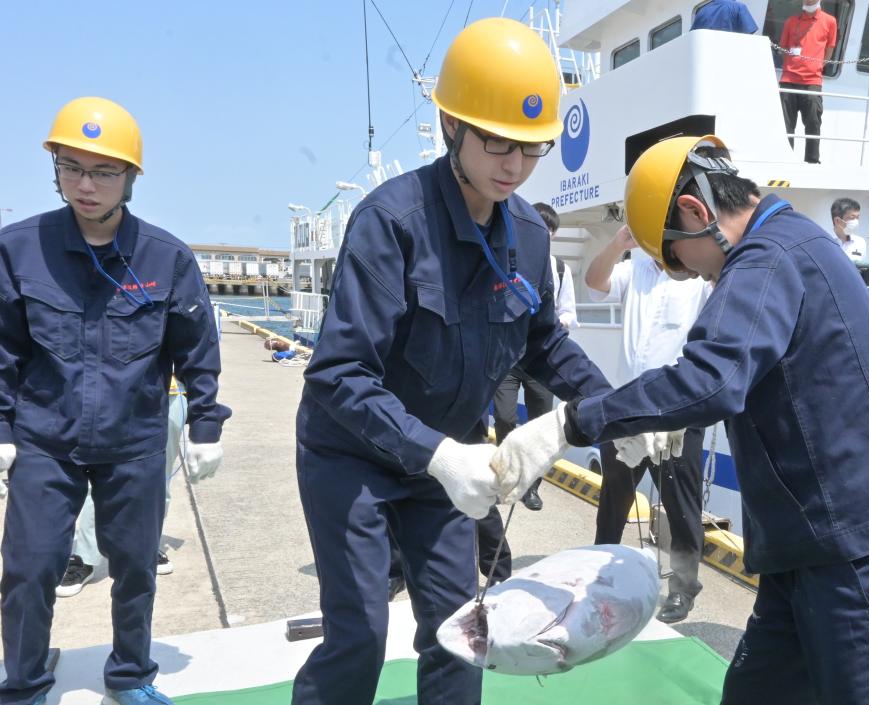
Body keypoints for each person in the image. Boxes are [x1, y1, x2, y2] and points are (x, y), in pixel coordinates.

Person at [492, 135, 869, 705]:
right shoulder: (790, 242)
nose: (697, 279)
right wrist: (650, 416)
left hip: (859, 555)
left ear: (695, 212)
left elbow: (714, 377)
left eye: (679, 260)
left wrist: (571, 424)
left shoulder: (768, 255)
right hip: (808, 549)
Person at [290, 19, 621, 705]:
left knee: (462, 630)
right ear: (450, 123)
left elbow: (543, 342)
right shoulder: (391, 224)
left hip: (447, 466)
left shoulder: (528, 233)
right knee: (357, 632)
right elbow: (337, 374)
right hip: (352, 456)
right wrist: (438, 453)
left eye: (532, 148)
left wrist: (617, 406)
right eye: (498, 141)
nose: (514, 164)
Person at [0, 97, 230, 705]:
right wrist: (1, 428)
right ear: (54, 168)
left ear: (131, 177)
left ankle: (130, 674)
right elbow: (3, 347)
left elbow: (196, 346)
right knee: (29, 569)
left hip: (134, 443)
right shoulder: (19, 249)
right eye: (72, 167)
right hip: (46, 441)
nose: (86, 184)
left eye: (104, 171)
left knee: (134, 569)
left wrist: (206, 423)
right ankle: (22, 683)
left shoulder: (166, 258)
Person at [583, 223, 712, 623]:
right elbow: (594, 281)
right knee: (614, 496)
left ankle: (684, 586)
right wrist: (617, 243)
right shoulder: (634, 269)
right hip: (627, 404)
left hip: (677, 410)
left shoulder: (698, 279)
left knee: (680, 501)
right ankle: (599, 572)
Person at [57, 381, 189, 598]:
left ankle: (148, 545)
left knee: (158, 480)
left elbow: (200, 354)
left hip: (172, 393)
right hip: (116, 390)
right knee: (102, 477)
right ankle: (85, 557)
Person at [491, 202, 577, 511]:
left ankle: (531, 486)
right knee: (504, 417)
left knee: (542, 425)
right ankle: (507, 474)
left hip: (541, 357)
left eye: (550, 231)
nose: (546, 235)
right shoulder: (509, 263)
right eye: (541, 228)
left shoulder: (560, 269)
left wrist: (561, 322)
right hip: (510, 359)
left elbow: (568, 310)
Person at [778, 2, 837, 164]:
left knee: (813, 123)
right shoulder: (790, 21)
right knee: (785, 125)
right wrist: (793, 66)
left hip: (812, 81)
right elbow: (783, 48)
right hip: (788, 79)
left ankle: (812, 161)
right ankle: (785, 160)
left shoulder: (829, 21)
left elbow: (830, 49)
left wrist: (816, 66)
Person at [830, 197, 866, 261]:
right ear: (837, 221)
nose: (856, 221)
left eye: (857, 217)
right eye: (852, 218)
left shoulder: (860, 242)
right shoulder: (828, 242)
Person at [691, 0, 758, 34]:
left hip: (706, 55)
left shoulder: (701, 12)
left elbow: (692, 36)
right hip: (730, 55)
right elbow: (749, 36)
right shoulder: (738, 7)